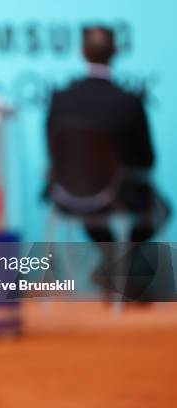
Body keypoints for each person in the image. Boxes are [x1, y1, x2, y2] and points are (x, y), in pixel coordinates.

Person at [45, 26, 170, 298]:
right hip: (114, 196)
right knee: (161, 209)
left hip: (65, 196)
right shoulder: (128, 100)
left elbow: (53, 152)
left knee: (94, 212)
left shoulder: (61, 99)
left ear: (82, 52)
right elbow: (146, 159)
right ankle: (115, 268)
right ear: (115, 53)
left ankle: (113, 268)